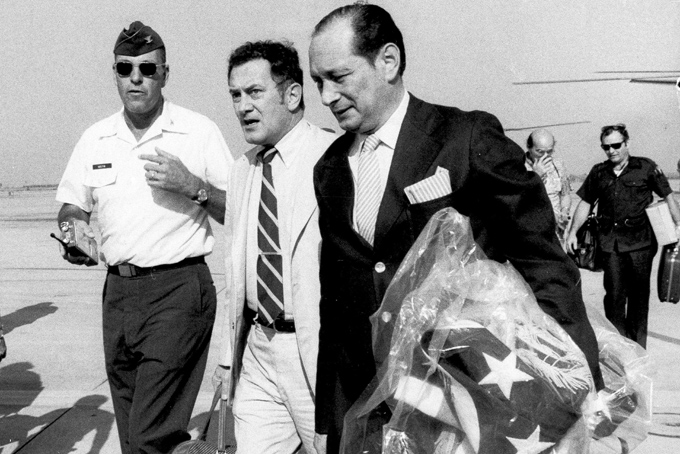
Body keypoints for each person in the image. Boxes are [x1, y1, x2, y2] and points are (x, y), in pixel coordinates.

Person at [308, 4, 605, 452]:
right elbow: (337, 304)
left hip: (463, 404)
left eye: (339, 77)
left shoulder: (464, 138)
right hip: (369, 410)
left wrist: (575, 382)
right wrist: (330, 419)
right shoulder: (329, 169)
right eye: (318, 82)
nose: (327, 96)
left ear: (388, 61)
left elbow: (543, 261)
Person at [55, 21, 232, 454]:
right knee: (134, 434)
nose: (136, 78)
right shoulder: (95, 137)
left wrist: (192, 185)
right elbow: (71, 203)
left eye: (148, 69)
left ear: (165, 74)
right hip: (117, 293)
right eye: (125, 67)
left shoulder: (197, 131)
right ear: (114, 73)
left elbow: (239, 209)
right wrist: (73, 233)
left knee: (150, 433)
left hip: (178, 291)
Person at [213, 41, 336, 454]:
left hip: (315, 353)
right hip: (258, 350)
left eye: (254, 92)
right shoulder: (243, 169)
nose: (242, 106)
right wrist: (229, 354)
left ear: (293, 94)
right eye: (235, 94)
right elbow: (236, 271)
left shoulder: (332, 157)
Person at [567, 124, 680, 348]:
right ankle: (618, 350)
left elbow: (668, 196)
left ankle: (638, 349)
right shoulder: (599, 172)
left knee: (639, 299)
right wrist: (572, 232)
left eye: (616, 145)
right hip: (610, 244)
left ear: (627, 143)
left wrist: (679, 225)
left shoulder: (646, 167)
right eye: (606, 147)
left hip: (641, 244)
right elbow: (586, 202)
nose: (612, 151)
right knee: (614, 297)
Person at [526, 129, 572, 245]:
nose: (545, 156)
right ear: (529, 147)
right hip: (532, 234)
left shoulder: (558, 165)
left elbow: (565, 194)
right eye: (540, 152)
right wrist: (535, 176)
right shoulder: (518, 168)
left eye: (549, 151)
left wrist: (564, 211)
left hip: (556, 233)